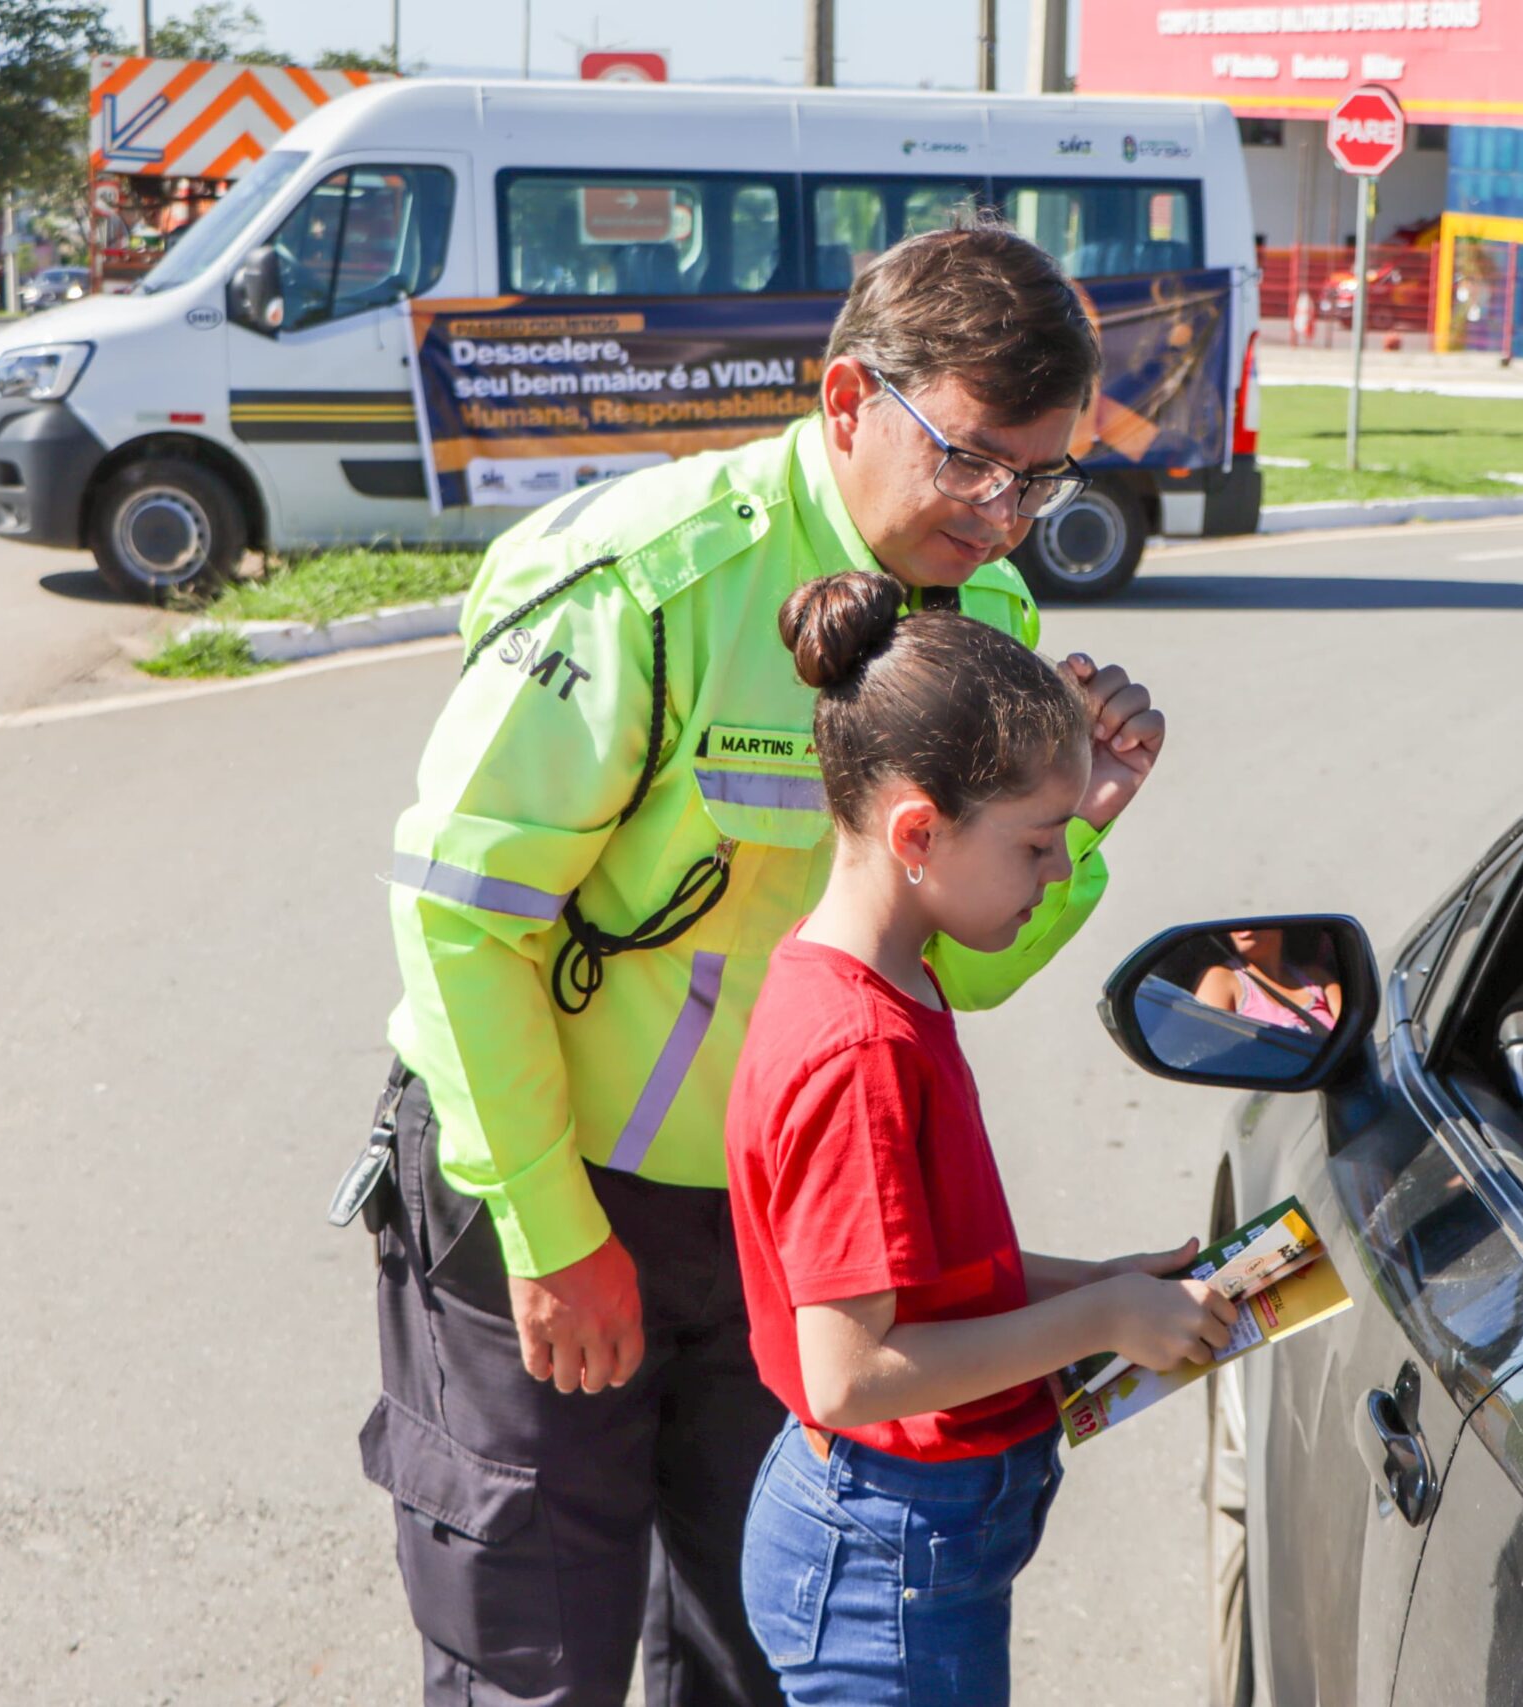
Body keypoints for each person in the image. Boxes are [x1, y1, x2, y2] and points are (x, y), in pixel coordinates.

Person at [357, 213, 1167, 1707]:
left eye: (1043, 474)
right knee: (536, 1663)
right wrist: (553, 1229)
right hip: (552, 1187)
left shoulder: (986, 616)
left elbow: (955, 973)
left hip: (785, 1231)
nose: (1003, 513)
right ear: (849, 396)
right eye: (974, 456)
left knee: (756, 1656)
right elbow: (461, 914)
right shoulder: (650, 580)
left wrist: (1085, 832)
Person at [724, 571, 1236, 1706]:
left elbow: (925, 1277)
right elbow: (851, 1374)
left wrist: (1093, 1280)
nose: (1061, 870)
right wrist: (1099, 1318)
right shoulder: (856, 1049)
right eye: (1040, 843)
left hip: (899, 1536)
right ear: (918, 829)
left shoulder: (882, 967)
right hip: (886, 1559)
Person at [1193, 926, 1340, 1033]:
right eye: (1233, 919)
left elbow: (1354, 1035)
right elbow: (1207, 1048)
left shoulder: (1317, 978)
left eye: (1252, 915)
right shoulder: (1221, 979)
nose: (1240, 925)